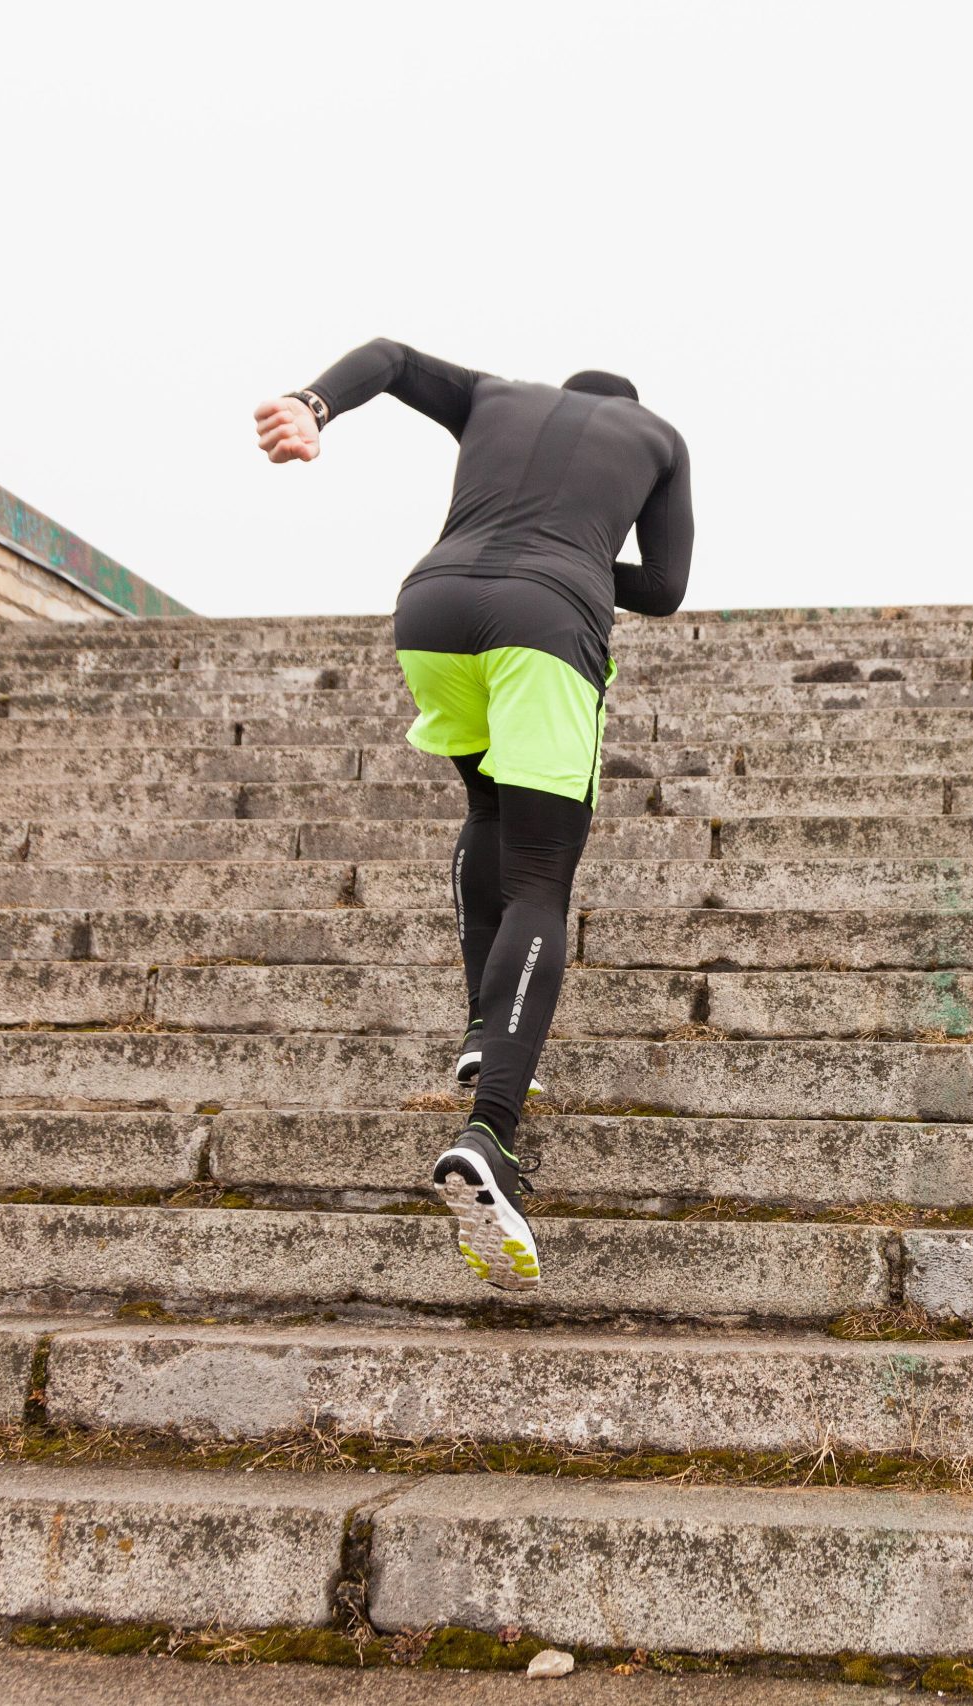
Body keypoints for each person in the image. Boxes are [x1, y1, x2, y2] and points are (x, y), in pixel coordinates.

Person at [254, 339, 693, 1293]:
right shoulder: (656, 435)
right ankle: (490, 1134)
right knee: (542, 876)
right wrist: (573, 553)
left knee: (487, 802)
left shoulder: (495, 394)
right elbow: (664, 589)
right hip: (545, 626)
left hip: (433, 606)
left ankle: (477, 1028)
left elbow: (393, 357)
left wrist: (312, 405)